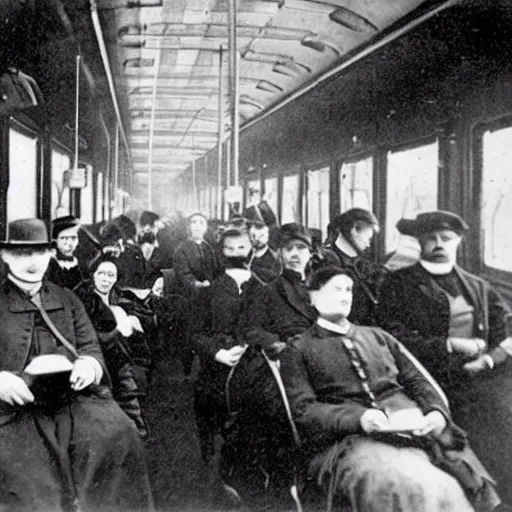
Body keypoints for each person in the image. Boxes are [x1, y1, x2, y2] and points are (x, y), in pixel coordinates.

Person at [281, 266, 500, 512]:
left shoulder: (379, 336)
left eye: (348, 290)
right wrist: (360, 418)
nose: (344, 296)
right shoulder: (298, 349)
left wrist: (436, 413)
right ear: (313, 296)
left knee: (462, 477)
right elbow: (303, 410)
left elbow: (420, 381)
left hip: (416, 428)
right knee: (410, 485)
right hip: (351, 440)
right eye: (336, 289)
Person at [0, 218, 152, 511]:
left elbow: (91, 346)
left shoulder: (68, 300)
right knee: (27, 471)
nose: (32, 261)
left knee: (120, 433)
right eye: (22, 253)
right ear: (5, 256)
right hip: (14, 409)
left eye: (39, 253)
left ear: (50, 255)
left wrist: (90, 366)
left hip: (72, 400)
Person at [378, 210, 512, 504]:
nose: (439, 244)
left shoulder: (478, 286)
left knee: (506, 416)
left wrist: (488, 360)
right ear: (420, 242)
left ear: (458, 242)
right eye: (431, 239)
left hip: (480, 376)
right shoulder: (398, 284)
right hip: (430, 379)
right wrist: (448, 345)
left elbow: (504, 333)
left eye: (446, 238)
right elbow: (391, 338)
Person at [222, 223, 317, 510]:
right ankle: (283, 479)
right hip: (283, 361)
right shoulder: (268, 291)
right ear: (279, 254)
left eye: (301, 249)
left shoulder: (321, 287)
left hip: (322, 358)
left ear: (311, 254)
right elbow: (252, 329)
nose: (294, 255)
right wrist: (277, 345)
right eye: (288, 249)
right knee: (275, 409)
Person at [74, 254, 149, 438]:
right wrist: (119, 331)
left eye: (111, 275)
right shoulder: (86, 302)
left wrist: (131, 321)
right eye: (102, 274)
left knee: (132, 418)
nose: (106, 279)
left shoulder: (117, 299)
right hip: (99, 368)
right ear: (93, 274)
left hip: (121, 366)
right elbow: (89, 339)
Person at [324, 208, 386, 325]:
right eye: (368, 239)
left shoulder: (364, 266)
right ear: (354, 230)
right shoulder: (326, 260)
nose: (368, 244)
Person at [173, 212, 219, 300]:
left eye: (201, 223)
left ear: (206, 228)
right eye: (194, 222)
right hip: (189, 292)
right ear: (189, 227)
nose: (197, 226)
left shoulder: (209, 248)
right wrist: (198, 284)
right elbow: (183, 275)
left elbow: (215, 271)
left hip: (210, 290)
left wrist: (210, 282)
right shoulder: (182, 249)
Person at [245, 206, 282, 283]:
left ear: (269, 232)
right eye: (249, 227)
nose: (256, 236)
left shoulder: (274, 261)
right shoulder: (245, 255)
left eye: (259, 227)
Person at [46, 215, 82, 289]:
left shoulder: (80, 262)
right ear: (55, 240)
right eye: (64, 238)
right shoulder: (50, 264)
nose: (69, 243)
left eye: (73, 238)